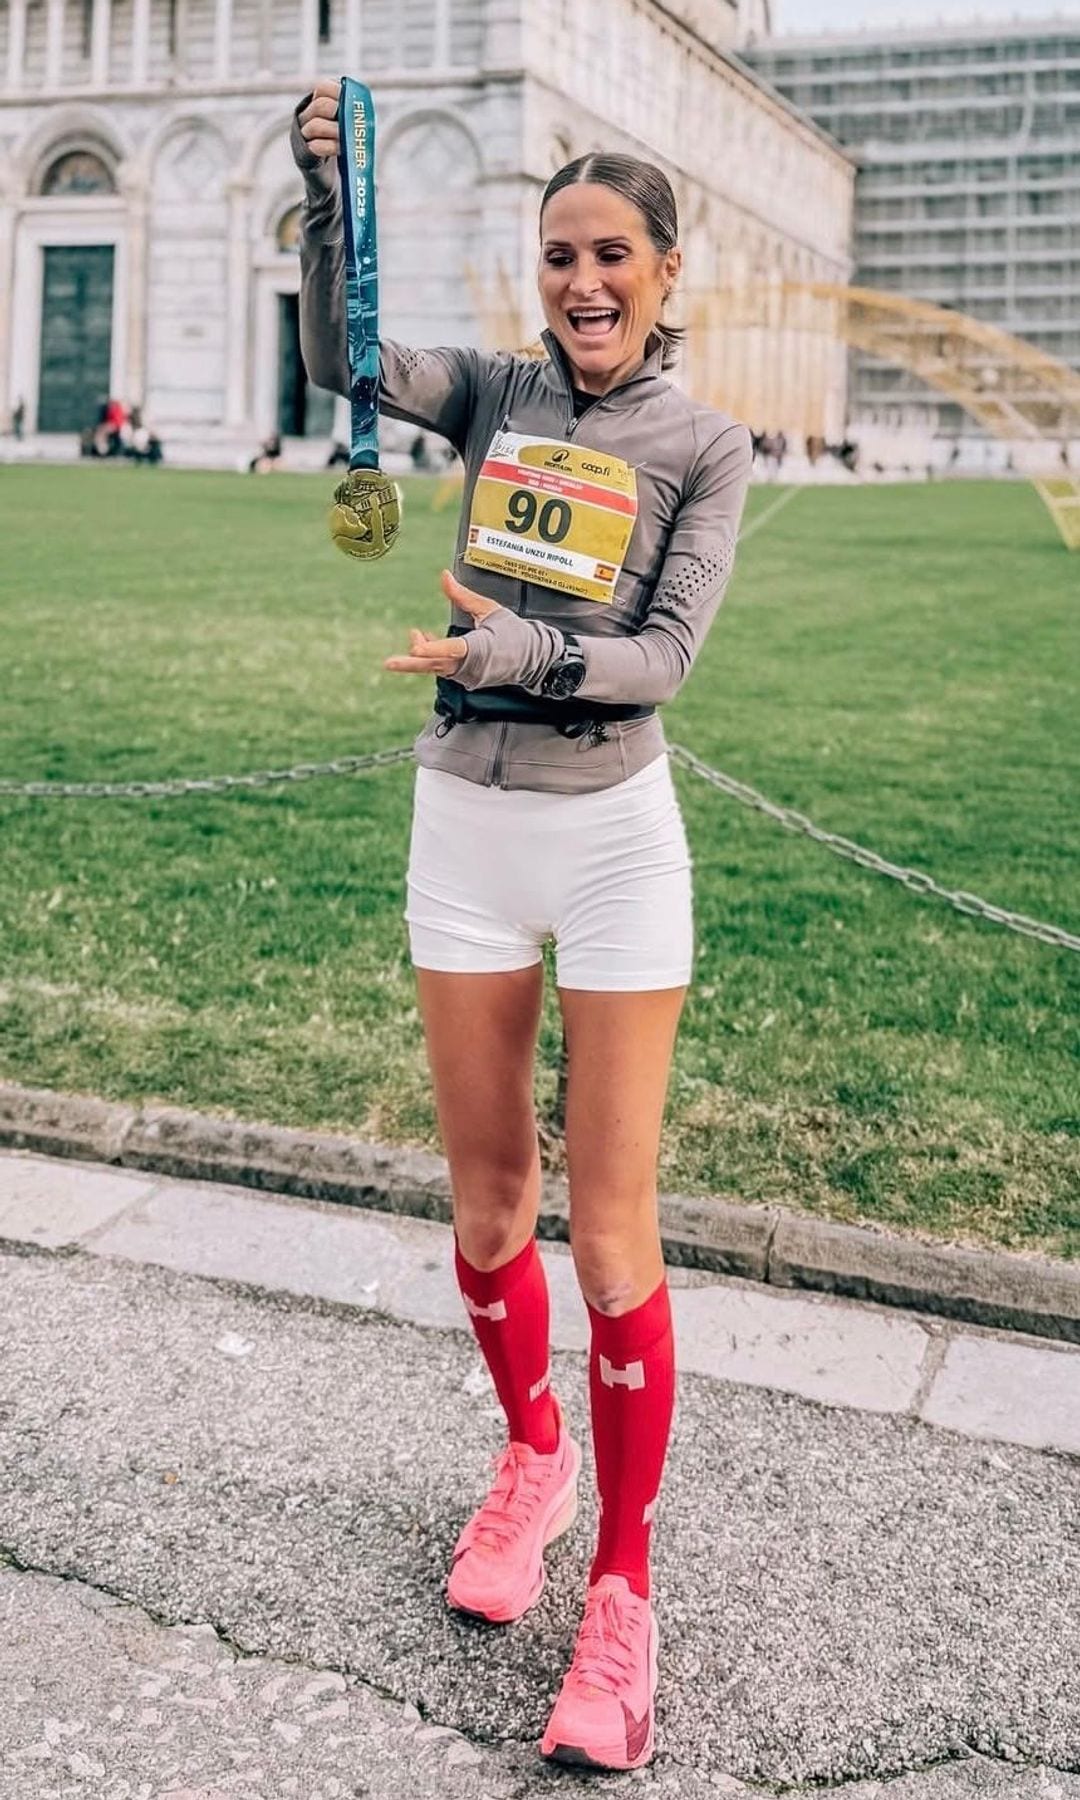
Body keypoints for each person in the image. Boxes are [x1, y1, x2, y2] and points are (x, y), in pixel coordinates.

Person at [293, 78, 752, 1774]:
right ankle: (534, 1459)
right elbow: (348, 363)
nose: (582, 278)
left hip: (617, 844)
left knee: (613, 1233)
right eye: (560, 253)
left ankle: (623, 1595)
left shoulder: (706, 446)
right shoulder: (488, 392)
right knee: (491, 1212)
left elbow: (661, 665)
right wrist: (327, 190)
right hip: (462, 837)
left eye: (611, 253)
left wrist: (508, 657)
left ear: (662, 267)